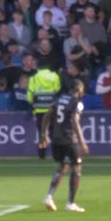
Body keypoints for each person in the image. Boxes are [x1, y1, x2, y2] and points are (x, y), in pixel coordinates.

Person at [39, 79, 89, 213]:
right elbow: (75, 121)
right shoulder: (77, 103)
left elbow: (47, 115)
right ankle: (70, 203)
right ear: (78, 90)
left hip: (56, 139)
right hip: (69, 140)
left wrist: (43, 134)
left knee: (63, 166)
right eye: (82, 90)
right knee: (76, 168)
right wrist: (82, 142)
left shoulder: (59, 99)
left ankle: (49, 196)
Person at [27, 62, 62, 160]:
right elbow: (58, 90)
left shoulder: (34, 78)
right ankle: (57, 155)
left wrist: (32, 103)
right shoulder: (55, 76)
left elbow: (30, 94)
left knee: (42, 133)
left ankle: (41, 155)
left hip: (39, 110)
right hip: (52, 109)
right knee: (54, 132)